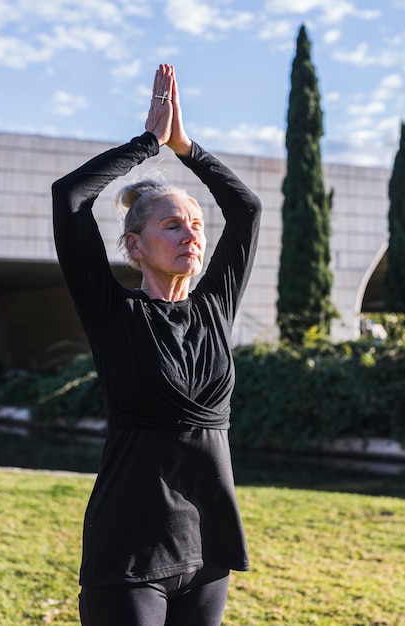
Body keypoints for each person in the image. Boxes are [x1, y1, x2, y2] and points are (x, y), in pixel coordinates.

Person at [52, 64, 261, 626]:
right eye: (173, 225)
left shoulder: (214, 307)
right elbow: (69, 196)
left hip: (208, 543)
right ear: (135, 246)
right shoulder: (113, 312)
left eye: (196, 224)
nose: (192, 233)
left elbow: (246, 210)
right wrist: (148, 143)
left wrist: (186, 147)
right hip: (129, 548)